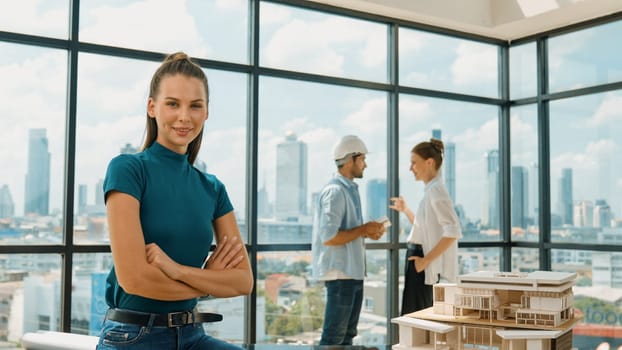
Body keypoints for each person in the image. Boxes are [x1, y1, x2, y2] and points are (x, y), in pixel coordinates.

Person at [97, 52, 253, 350]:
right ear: (152, 108)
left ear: (206, 112)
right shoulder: (128, 169)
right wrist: (208, 281)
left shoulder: (213, 188)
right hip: (133, 337)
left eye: (195, 105)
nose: (185, 116)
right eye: (172, 104)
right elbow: (135, 280)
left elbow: (243, 282)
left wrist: (176, 270)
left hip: (193, 335)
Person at [311, 135, 387, 345]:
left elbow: (347, 231)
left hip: (352, 273)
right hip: (340, 275)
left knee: (347, 338)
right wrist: (363, 228)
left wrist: (367, 231)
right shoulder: (335, 192)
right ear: (350, 160)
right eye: (362, 159)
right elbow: (329, 237)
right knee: (334, 339)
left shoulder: (349, 190)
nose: (366, 164)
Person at [389, 138, 461, 316]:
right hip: (418, 259)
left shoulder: (436, 190)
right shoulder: (431, 190)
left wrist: (425, 261)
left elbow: (453, 231)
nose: (410, 168)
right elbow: (425, 228)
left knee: (417, 318)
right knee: (415, 317)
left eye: (414, 163)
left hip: (420, 260)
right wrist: (406, 210)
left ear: (429, 162)